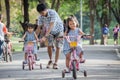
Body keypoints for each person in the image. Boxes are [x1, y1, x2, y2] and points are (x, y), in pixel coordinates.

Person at [36, 3, 63, 69]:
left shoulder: (53, 13)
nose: (41, 14)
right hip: (50, 32)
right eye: (40, 13)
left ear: (46, 9)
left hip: (59, 30)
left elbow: (51, 25)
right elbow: (39, 28)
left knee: (58, 46)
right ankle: (51, 60)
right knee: (49, 45)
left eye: (42, 12)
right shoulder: (40, 17)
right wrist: (35, 37)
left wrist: (45, 36)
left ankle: (56, 63)